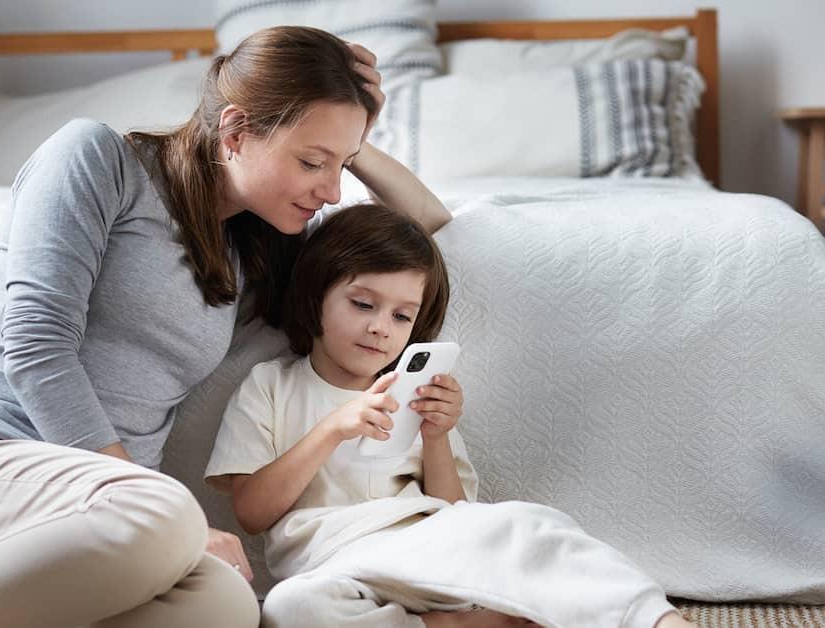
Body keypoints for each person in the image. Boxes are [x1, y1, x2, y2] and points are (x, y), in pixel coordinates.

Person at [0, 25, 451, 628]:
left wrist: (352, 136)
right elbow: (34, 346)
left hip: (105, 535)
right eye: (313, 162)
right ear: (235, 130)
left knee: (225, 605)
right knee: (171, 518)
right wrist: (158, 506)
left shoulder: (253, 253)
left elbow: (423, 221)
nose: (332, 191)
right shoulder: (96, 158)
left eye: (340, 166)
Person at [204, 205, 699, 628]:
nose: (380, 328)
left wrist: (436, 435)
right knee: (289, 610)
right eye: (362, 304)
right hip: (336, 567)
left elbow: (453, 509)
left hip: (430, 550)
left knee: (525, 524)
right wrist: (335, 427)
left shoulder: (413, 392)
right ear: (315, 295)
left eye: (402, 317)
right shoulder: (271, 386)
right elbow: (252, 513)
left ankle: (648, 618)